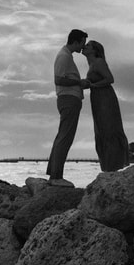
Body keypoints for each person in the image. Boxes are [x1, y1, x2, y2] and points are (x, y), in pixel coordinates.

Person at [46, 29, 90, 187]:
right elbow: (59, 80)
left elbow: (66, 79)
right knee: (65, 138)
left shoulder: (67, 56)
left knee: (62, 137)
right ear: (76, 41)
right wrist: (79, 82)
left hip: (70, 99)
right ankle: (57, 177)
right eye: (82, 43)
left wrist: (80, 84)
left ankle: (54, 175)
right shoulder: (64, 56)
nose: (83, 47)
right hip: (68, 100)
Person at [82, 40, 129, 172]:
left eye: (88, 46)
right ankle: (107, 167)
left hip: (105, 99)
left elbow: (110, 79)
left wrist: (93, 85)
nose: (84, 47)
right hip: (97, 98)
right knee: (101, 131)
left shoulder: (99, 62)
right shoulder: (91, 64)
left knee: (109, 130)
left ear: (95, 50)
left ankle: (112, 167)